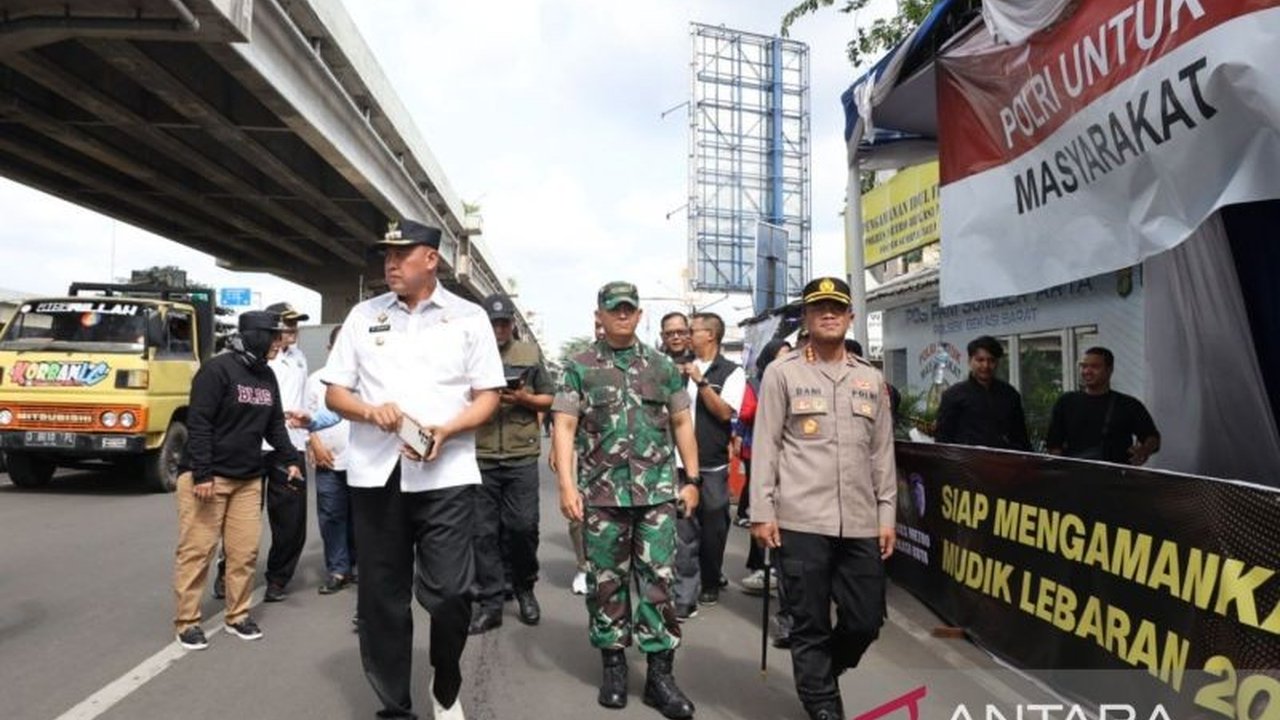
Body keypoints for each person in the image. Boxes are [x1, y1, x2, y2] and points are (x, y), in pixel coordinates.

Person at [321, 218, 505, 720]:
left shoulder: (468, 318)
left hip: (446, 474)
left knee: (450, 594)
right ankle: (394, 707)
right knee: (382, 600)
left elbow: (489, 394)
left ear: (432, 259)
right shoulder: (363, 316)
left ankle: (445, 683)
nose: (391, 262)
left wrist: (446, 430)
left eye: (403, 253)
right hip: (375, 476)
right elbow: (335, 390)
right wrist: (367, 411)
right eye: (386, 253)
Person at [751, 277, 897, 720]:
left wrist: (886, 515)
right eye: (819, 309)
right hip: (800, 520)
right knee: (809, 621)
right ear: (807, 318)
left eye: (837, 307)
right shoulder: (783, 373)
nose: (828, 314)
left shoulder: (870, 379)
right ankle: (823, 705)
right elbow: (766, 446)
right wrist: (762, 511)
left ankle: (820, 673)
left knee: (865, 621)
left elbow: (882, 453)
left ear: (851, 316)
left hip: (859, 521)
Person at [552, 281, 700, 719]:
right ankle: (613, 666)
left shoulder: (661, 366)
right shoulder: (578, 368)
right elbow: (563, 427)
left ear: (639, 316)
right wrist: (566, 485)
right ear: (599, 314)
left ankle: (660, 677)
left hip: (656, 494)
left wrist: (691, 479)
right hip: (600, 495)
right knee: (606, 583)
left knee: (658, 582)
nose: (622, 315)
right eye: (613, 309)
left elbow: (681, 421)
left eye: (629, 309)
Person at [172, 310, 302, 650]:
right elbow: (199, 424)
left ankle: (238, 615)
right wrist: (202, 472)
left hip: (248, 478)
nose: (278, 342)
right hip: (209, 477)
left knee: (243, 553)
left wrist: (290, 459)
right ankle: (187, 622)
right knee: (198, 551)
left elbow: (274, 425)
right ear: (254, 336)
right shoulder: (217, 370)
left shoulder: (266, 376)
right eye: (272, 335)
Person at [470, 293, 555, 633]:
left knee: (523, 527)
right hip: (481, 454)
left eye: (504, 322)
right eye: (493, 323)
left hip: (520, 454)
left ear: (512, 324)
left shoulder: (529, 355)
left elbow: (549, 397)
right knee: (483, 533)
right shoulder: (469, 354)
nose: (499, 329)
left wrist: (523, 398)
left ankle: (524, 588)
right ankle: (491, 602)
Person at [672, 311, 745, 617]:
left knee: (714, 528)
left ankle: (711, 580)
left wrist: (701, 382)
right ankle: (685, 594)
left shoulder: (730, 372)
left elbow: (725, 413)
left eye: (693, 330)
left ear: (711, 335)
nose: (687, 334)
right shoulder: (676, 367)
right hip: (676, 462)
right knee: (684, 529)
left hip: (712, 465)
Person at [260, 301, 311, 602]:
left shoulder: (300, 357)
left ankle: (278, 578)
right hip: (254, 447)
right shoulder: (259, 359)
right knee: (242, 517)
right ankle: (228, 572)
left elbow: (304, 401)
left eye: (296, 324)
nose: (292, 329)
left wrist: (309, 438)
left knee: (290, 521)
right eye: (286, 323)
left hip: (290, 447)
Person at [735, 338, 791, 594]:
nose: (786, 360)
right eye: (781, 355)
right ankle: (761, 568)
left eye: (789, 354)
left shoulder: (798, 380)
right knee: (762, 504)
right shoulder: (755, 383)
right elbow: (744, 413)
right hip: (758, 448)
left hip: (790, 457)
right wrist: (769, 406)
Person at [1045, 346, 1161, 465]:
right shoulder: (1066, 402)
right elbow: (1054, 444)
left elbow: (1152, 437)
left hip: (1116, 477)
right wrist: (1059, 470)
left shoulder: (1128, 405)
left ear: (1109, 369)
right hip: (1075, 476)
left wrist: (1144, 450)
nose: (1087, 371)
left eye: (1095, 367)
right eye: (1084, 366)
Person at [308, 325, 357, 595]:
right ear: (330, 350)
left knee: (361, 517)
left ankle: (357, 564)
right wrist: (314, 444)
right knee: (331, 516)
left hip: (361, 462)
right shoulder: (316, 379)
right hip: (329, 460)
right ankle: (338, 569)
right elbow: (309, 417)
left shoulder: (365, 379)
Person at [934, 335, 1031, 451]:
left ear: (997, 363)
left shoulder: (1010, 395)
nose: (985, 366)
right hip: (965, 465)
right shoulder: (953, 395)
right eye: (980, 360)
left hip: (1003, 464)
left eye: (991, 360)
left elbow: (1021, 438)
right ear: (970, 361)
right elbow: (943, 440)